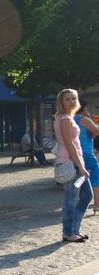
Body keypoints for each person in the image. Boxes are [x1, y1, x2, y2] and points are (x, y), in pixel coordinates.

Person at [53, 88, 91, 242]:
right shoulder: (65, 119)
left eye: (73, 98)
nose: (71, 102)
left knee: (87, 195)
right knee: (70, 199)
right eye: (67, 99)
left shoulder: (68, 117)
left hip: (75, 162)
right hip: (70, 164)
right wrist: (80, 167)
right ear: (61, 102)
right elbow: (70, 145)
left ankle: (74, 229)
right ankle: (68, 232)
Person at [74, 100, 99, 213]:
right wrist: (92, 121)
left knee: (80, 179)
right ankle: (97, 204)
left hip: (75, 154)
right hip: (87, 153)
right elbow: (97, 131)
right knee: (95, 178)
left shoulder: (71, 119)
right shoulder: (84, 119)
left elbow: (91, 135)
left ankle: (77, 202)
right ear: (83, 108)